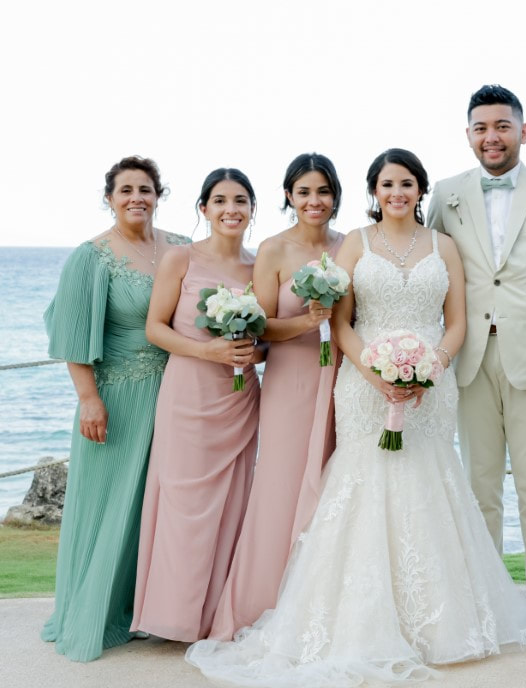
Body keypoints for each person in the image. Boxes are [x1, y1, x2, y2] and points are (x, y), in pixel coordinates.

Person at [186, 149, 526, 688]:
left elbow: (457, 323)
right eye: (387, 184)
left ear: (420, 190)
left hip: (430, 388)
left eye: (407, 183)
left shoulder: (443, 246)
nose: (397, 192)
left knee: (428, 481)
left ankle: (438, 622)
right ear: (374, 191)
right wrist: (375, 372)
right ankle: (358, 623)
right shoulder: (355, 243)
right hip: (363, 383)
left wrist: (432, 368)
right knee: (363, 484)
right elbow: (342, 323)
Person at [427, 85, 526, 644]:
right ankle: (486, 597)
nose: (491, 137)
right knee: (478, 487)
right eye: (481, 128)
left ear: (523, 130)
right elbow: (429, 273)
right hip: (467, 358)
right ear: (468, 135)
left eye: (502, 126)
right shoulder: (446, 194)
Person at [41, 157, 190, 661]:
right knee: (109, 505)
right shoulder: (92, 257)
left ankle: (150, 608)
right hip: (118, 398)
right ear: (109, 198)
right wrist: (89, 399)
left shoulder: (180, 247)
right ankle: (95, 612)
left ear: (158, 195)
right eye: (125, 190)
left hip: (178, 394)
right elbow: (72, 334)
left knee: (157, 505)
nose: (136, 198)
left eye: (145, 189)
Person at [209, 153, 346, 640]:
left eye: (323, 191)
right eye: (304, 192)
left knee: (337, 485)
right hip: (291, 379)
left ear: (335, 195)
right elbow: (262, 326)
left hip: (344, 379)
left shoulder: (349, 245)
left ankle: (329, 604)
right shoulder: (273, 249)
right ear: (289, 196)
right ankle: (264, 602)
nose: (314, 201)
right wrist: (308, 321)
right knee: (282, 485)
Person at [132, 168, 262, 642]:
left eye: (241, 200)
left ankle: (213, 617)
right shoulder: (180, 258)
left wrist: (252, 353)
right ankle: (172, 617)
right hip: (188, 394)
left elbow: (266, 342)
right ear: (204, 208)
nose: (231, 209)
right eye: (221, 200)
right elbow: (155, 328)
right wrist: (207, 352)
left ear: (252, 210)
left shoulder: (259, 267)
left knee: (231, 506)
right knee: (183, 504)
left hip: (239, 397)